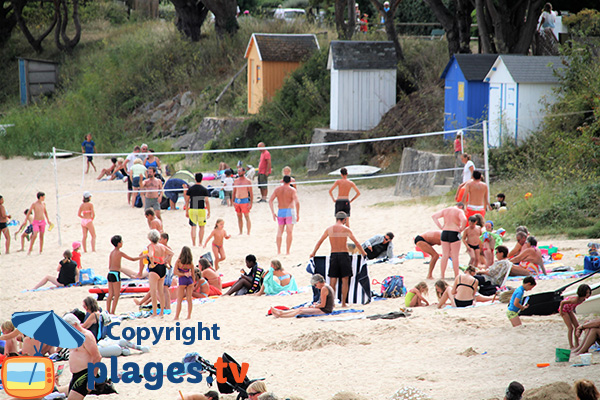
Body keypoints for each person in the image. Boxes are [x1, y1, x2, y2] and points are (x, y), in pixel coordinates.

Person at [310, 211, 366, 307]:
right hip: (344, 255)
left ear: (336, 218)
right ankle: (343, 303)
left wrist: (313, 253)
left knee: (333, 280)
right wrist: (363, 252)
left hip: (334, 255)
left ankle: (332, 303)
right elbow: (356, 243)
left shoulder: (329, 229)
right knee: (345, 280)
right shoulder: (346, 229)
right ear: (345, 219)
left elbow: (320, 241)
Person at [62, 313, 102, 400]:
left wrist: (92, 379)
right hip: (75, 375)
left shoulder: (86, 336)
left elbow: (97, 357)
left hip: (85, 373)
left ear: (75, 325)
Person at [432, 202, 467, 279]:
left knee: (445, 255)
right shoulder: (459, 211)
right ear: (461, 206)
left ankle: (442, 275)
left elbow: (434, 216)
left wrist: (441, 226)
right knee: (455, 256)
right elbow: (464, 219)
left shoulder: (446, 210)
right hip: (454, 231)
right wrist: (462, 228)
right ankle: (456, 275)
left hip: (445, 232)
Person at [107, 235, 141, 315]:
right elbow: (132, 259)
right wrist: (142, 257)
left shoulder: (111, 253)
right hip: (116, 274)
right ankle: (112, 312)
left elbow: (109, 266)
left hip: (110, 273)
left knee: (110, 294)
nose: (122, 243)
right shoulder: (120, 253)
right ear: (118, 243)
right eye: (121, 241)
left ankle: (108, 311)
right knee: (117, 294)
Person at [145, 229, 174, 317]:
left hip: (155, 269)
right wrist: (165, 261)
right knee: (161, 291)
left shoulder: (151, 246)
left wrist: (153, 264)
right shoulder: (162, 246)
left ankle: (154, 312)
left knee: (153, 291)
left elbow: (151, 255)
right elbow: (172, 253)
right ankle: (161, 312)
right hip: (162, 268)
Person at [269, 175, 300, 255]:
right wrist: (297, 213)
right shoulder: (292, 190)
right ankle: (287, 251)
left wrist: (273, 212)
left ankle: (279, 251)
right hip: (289, 211)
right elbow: (297, 202)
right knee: (289, 232)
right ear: (290, 181)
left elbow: (270, 200)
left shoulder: (277, 189)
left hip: (280, 211)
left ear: (282, 181)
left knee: (280, 231)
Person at [559, 284, 592, 348]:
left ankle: (577, 343)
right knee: (570, 328)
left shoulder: (582, 299)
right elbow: (562, 302)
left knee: (577, 326)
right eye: (587, 293)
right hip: (564, 309)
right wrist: (561, 311)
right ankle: (571, 345)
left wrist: (573, 309)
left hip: (569, 309)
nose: (588, 294)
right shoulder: (575, 300)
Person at [185, 173, 211, 246]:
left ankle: (193, 243)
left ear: (195, 179)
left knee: (193, 227)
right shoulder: (204, 189)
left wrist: (186, 210)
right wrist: (209, 211)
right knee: (201, 227)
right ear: (202, 179)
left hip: (193, 208)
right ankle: (200, 243)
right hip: (201, 209)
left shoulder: (191, 189)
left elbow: (187, 200)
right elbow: (206, 201)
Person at [174, 246, 196, 320]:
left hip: (182, 280)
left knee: (179, 299)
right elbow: (193, 274)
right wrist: (193, 282)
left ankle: (177, 316)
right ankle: (189, 316)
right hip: (189, 280)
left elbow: (175, 272)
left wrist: (183, 274)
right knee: (189, 299)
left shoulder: (179, 262)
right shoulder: (191, 263)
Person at [233, 167, 253, 235]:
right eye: (238, 171)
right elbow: (234, 191)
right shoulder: (236, 181)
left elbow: (251, 193)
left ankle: (248, 232)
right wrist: (233, 201)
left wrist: (251, 203)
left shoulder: (248, 181)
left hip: (244, 200)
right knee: (239, 217)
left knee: (246, 216)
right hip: (237, 200)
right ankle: (240, 231)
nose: (239, 172)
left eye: (240, 171)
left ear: (244, 172)